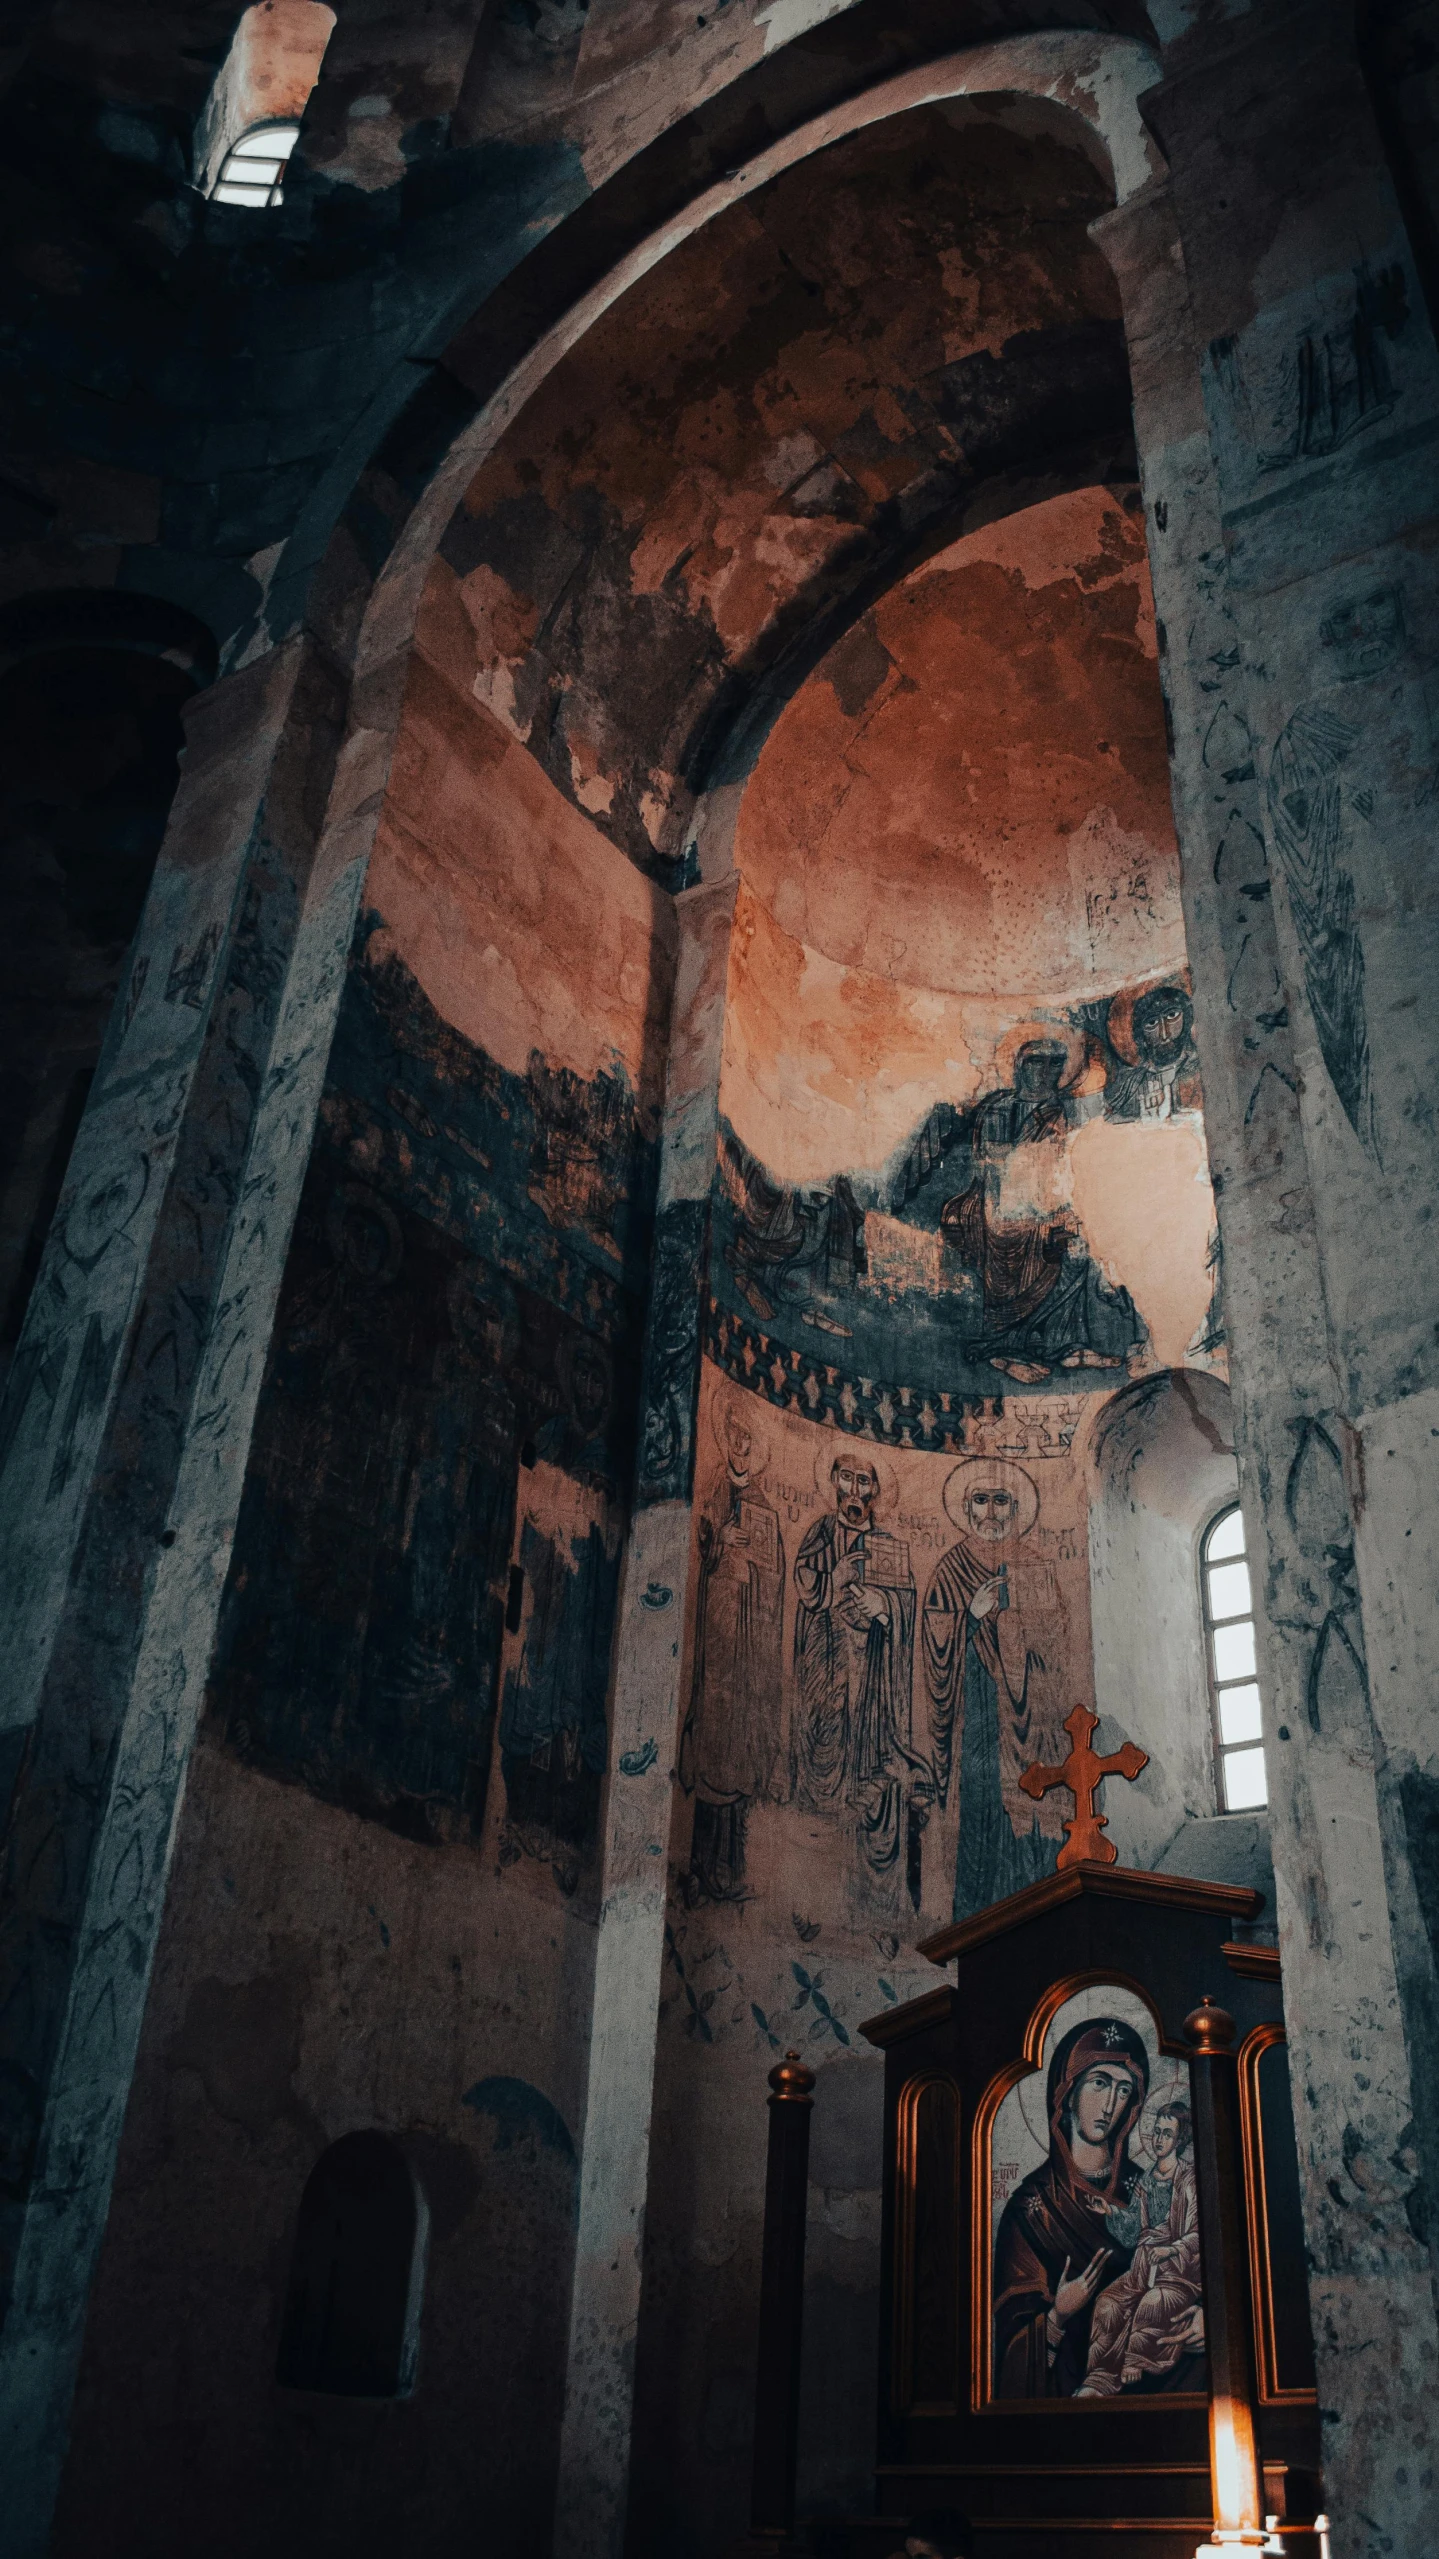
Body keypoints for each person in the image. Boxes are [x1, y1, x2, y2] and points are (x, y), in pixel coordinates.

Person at [922, 1460, 1063, 1920]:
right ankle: (979, 1916)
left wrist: (1029, 1627)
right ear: (965, 1507)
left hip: (1032, 1718)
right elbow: (935, 1648)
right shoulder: (951, 1568)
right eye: (981, 1500)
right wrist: (972, 1615)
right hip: (980, 1713)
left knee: (1032, 1806)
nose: (990, 1511)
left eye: (1000, 1500)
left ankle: (1035, 1905)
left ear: (1016, 1507)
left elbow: (1058, 1644)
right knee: (985, 1805)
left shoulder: (1036, 1565)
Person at [993, 2018, 1150, 2397]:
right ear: (1069, 2089)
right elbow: (1009, 2349)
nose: (1110, 2105)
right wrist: (1058, 2315)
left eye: (1124, 2089)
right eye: (1100, 2083)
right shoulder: (1032, 2208)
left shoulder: (1148, 2191)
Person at [793, 1450, 923, 1880]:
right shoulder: (820, 1533)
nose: (854, 1489)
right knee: (822, 1743)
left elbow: (906, 1602)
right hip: (824, 1664)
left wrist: (882, 1604)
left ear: (876, 1490)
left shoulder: (886, 1545)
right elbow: (806, 1584)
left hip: (870, 1673)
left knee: (868, 1762)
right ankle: (813, 1861)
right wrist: (838, 1577)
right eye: (846, 1477)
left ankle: (863, 1862)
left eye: (864, 1481)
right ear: (832, 1480)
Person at [679, 1399, 786, 1902]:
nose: (741, 1448)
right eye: (734, 1438)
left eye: (749, 1441)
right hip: (716, 1645)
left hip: (748, 1651)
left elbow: (777, 1577)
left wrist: (758, 1566)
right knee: (712, 1749)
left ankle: (733, 1867)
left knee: (739, 1751)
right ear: (724, 1440)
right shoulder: (711, 1493)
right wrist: (720, 1541)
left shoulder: (764, 1506)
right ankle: (700, 1865)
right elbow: (697, 1548)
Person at [1077, 2100, 1205, 2394]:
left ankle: (1135, 2361)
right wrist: (1109, 2209)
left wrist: (1170, 2250)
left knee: (1153, 2303)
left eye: (1167, 2134)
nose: (1159, 2139)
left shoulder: (1188, 2180)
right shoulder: (1147, 2179)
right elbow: (1134, 2228)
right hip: (1143, 2266)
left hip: (1177, 2273)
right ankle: (1097, 2379)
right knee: (1107, 2303)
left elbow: (1199, 2233)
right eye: (1156, 2132)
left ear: (1180, 2140)